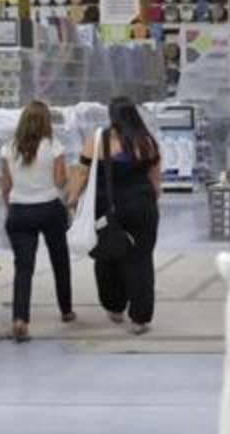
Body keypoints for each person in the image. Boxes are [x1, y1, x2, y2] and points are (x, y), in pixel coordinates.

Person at [68, 96, 162, 335]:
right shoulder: (146, 142)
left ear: (112, 116)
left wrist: (72, 201)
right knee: (141, 260)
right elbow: (155, 182)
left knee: (108, 256)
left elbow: (81, 174)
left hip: (108, 209)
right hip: (142, 207)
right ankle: (140, 317)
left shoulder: (99, 140)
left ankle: (115, 306)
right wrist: (150, 202)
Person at [0, 100, 75, 343]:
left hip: (20, 210)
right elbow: (61, 180)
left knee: (23, 268)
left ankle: (20, 319)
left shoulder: (9, 148)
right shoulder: (53, 146)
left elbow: (6, 185)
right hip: (49, 208)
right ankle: (66, 310)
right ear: (46, 122)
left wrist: (10, 208)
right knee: (59, 260)